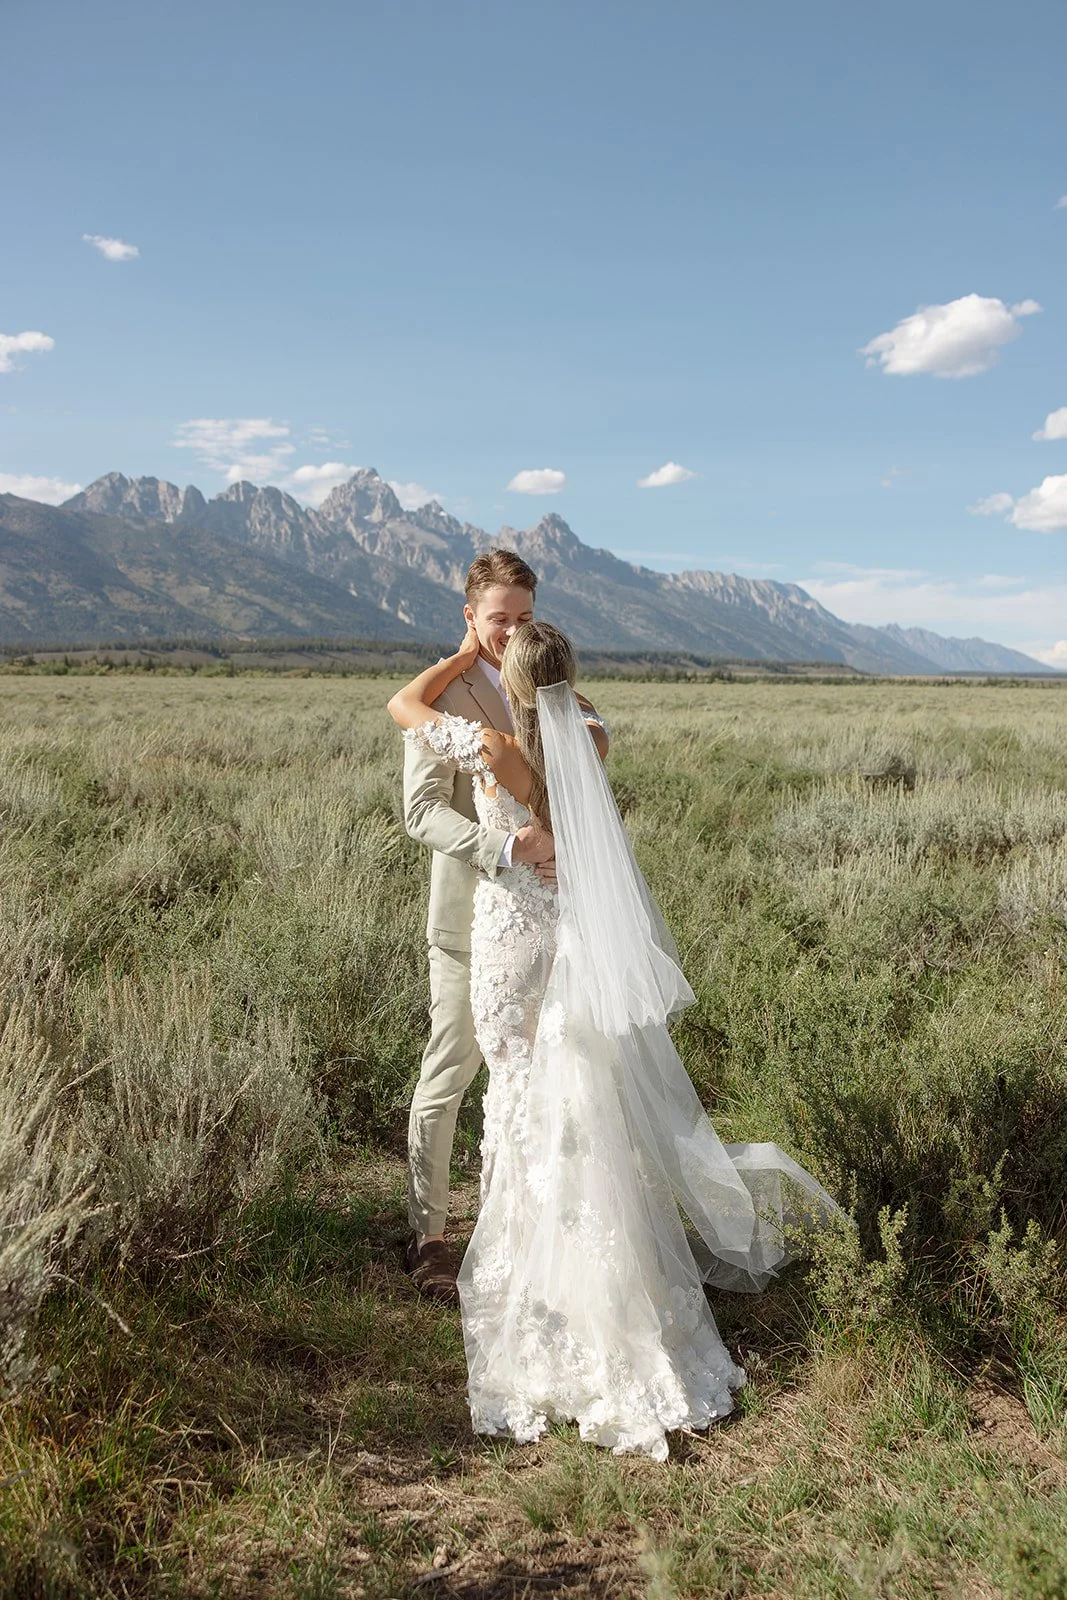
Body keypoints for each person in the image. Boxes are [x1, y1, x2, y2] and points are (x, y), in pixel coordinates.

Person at [388, 620, 839, 1461]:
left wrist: (462, 654)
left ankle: (535, 1281)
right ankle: (607, 1283)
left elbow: (403, 704)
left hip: (511, 937)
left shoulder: (490, 742)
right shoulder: (586, 740)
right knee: (578, 1094)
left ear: (508, 675)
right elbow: (573, 717)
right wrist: (558, 690)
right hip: (567, 938)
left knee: (518, 1092)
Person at [401, 551, 597, 1303]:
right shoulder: (446, 693)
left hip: (548, 921)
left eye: (522, 619)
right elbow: (421, 812)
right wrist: (506, 848)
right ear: (468, 619)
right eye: (497, 620)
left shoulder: (554, 693)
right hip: (471, 917)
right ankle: (428, 1235)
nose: (510, 633)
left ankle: (524, 1223)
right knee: (450, 1072)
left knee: (546, 1069)